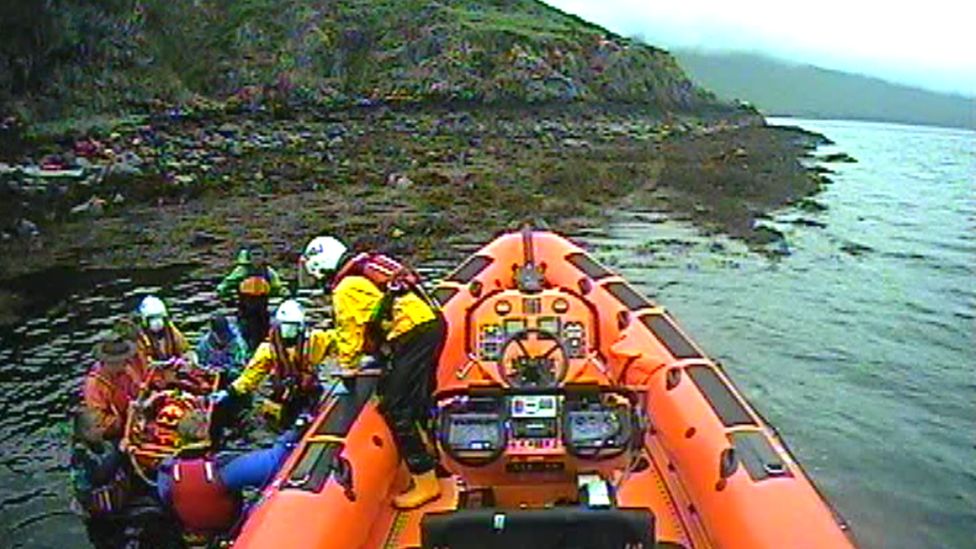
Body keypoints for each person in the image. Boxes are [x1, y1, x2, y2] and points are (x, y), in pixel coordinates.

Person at [301, 235, 445, 509]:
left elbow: (349, 333)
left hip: (413, 333)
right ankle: (435, 459)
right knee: (418, 400)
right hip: (431, 323)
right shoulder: (366, 269)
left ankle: (426, 481)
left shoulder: (346, 289)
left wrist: (348, 371)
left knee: (395, 406)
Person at [156, 410, 300, 542]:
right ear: (208, 434)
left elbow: (166, 500)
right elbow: (273, 462)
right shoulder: (222, 466)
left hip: (192, 537)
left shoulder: (166, 471)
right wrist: (295, 430)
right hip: (230, 532)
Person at [213, 299, 331, 430]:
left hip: (308, 392)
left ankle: (306, 417)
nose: (288, 330)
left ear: (300, 327)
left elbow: (338, 342)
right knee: (273, 420)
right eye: (285, 325)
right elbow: (251, 376)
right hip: (284, 394)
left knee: (308, 403)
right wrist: (229, 391)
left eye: (292, 326)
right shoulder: (268, 349)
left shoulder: (315, 340)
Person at [70, 408, 129, 549]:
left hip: (114, 506)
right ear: (85, 432)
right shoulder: (81, 455)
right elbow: (100, 476)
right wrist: (120, 453)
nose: (103, 429)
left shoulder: (103, 444)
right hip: (98, 511)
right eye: (97, 427)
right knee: (105, 541)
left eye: (102, 425)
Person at [216, 246, 291, 350]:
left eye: (259, 255)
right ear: (249, 257)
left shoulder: (268, 272)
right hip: (245, 310)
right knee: (246, 335)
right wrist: (225, 296)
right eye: (254, 255)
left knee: (263, 335)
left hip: (262, 310)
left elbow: (277, 286)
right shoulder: (242, 271)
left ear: (264, 257)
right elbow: (226, 284)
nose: (256, 258)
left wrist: (286, 294)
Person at [82, 330, 148, 440]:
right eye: (122, 361)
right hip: (114, 433)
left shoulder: (126, 370)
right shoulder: (94, 386)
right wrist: (125, 419)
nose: (126, 363)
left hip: (134, 418)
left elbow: (137, 390)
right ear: (110, 362)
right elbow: (99, 421)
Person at [135, 295, 190, 361]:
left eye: (160, 317)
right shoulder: (139, 339)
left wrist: (183, 360)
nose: (157, 322)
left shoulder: (173, 333)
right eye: (152, 318)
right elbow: (142, 361)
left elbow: (185, 351)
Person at [196, 314, 250, 380]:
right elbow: (201, 363)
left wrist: (226, 371)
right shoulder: (204, 343)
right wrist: (208, 370)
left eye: (224, 336)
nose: (222, 339)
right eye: (220, 336)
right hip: (212, 375)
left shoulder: (239, 343)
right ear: (213, 333)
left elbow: (242, 367)